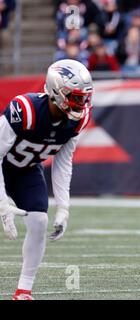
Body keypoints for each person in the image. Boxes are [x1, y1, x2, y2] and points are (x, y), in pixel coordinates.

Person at [0, 59, 92, 300]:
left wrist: (63, 206)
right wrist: (2, 201)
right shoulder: (26, 110)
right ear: (55, 92)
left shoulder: (77, 120)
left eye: (83, 97)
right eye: (75, 96)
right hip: (2, 165)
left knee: (39, 221)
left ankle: (24, 291)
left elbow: (63, 161)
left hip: (26, 169)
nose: (81, 103)